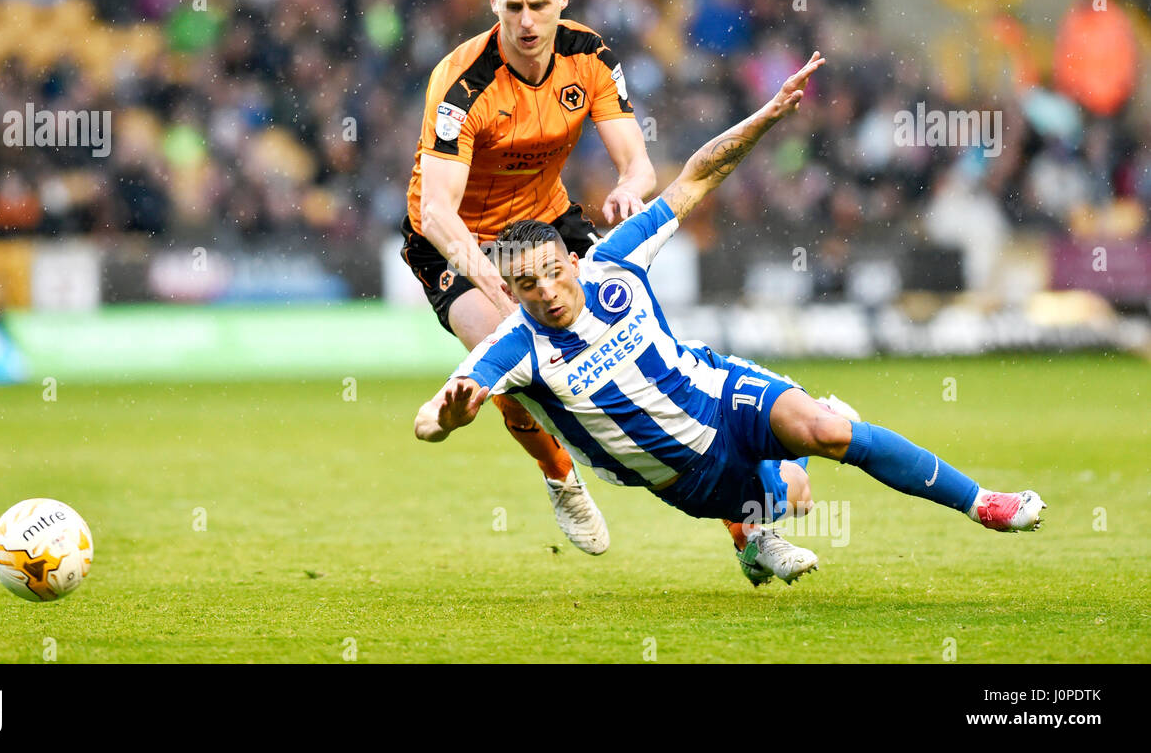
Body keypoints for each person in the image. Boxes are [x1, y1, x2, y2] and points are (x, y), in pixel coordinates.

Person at [413, 52, 1046, 585]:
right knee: (797, 496)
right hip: (693, 477)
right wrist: (449, 413)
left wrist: (767, 117)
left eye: (555, 272)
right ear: (512, 291)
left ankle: (981, 502)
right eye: (527, 284)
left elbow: (696, 177)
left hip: (723, 391)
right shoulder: (514, 347)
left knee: (828, 434)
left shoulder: (614, 260)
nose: (548, 291)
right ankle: (753, 532)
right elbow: (426, 424)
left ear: (570, 261)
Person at [401, 0, 657, 555]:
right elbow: (436, 211)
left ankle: (743, 523)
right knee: (511, 363)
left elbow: (641, 166)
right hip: (455, 239)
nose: (527, 22)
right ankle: (560, 475)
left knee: (635, 354)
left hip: (546, 223)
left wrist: (628, 188)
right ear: (494, 2)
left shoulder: (590, 55)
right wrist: (496, 287)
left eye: (539, 6)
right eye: (513, 7)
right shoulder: (463, 83)